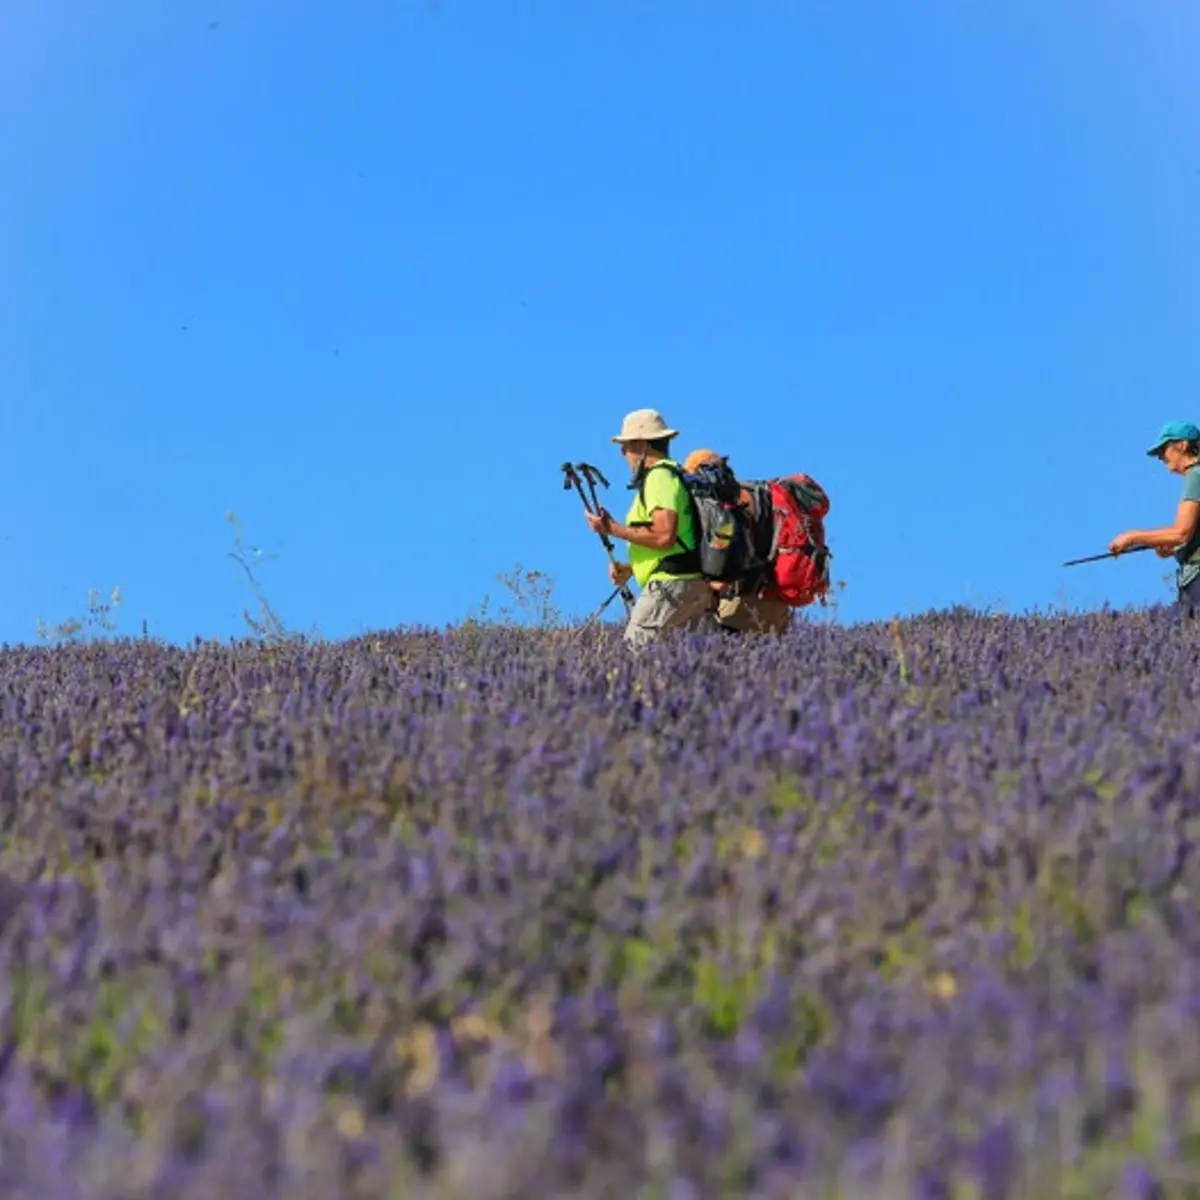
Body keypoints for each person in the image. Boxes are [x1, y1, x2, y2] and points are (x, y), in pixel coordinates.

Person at [584, 409, 715, 649]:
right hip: (691, 584)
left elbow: (664, 535)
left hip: (670, 587)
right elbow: (677, 543)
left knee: (634, 655)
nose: (623, 453)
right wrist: (631, 568)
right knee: (693, 664)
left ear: (642, 445)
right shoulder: (674, 475)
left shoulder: (659, 478)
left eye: (626, 446)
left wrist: (611, 528)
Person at [682, 448, 792, 635]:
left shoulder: (720, 506)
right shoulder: (762, 496)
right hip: (775, 608)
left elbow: (724, 550)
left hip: (736, 610)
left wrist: (714, 581)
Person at [1109, 420, 1200, 618]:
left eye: (1163, 449)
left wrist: (1132, 537)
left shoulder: (1196, 477)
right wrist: (1171, 547)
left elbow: (1181, 532)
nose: (1160, 456)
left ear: (1183, 445)